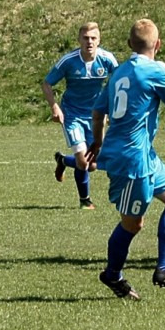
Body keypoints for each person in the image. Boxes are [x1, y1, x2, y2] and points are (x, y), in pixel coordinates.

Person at [87, 19, 165, 300]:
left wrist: (97, 143)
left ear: (130, 44)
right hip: (132, 161)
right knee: (133, 224)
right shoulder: (155, 70)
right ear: (158, 44)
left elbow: (98, 112)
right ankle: (112, 274)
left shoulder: (119, 72)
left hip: (144, 155)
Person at [42, 22, 118, 209]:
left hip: (95, 116)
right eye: (85, 38)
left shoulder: (107, 59)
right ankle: (85, 200)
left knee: (92, 165)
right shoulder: (68, 61)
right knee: (83, 162)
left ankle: (63, 160)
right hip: (72, 114)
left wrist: (110, 109)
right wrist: (55, 107)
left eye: (93, 38)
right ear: (79, 40)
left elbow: (119, 81)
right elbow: (46, 83)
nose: (89, 42)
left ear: (99, 40)